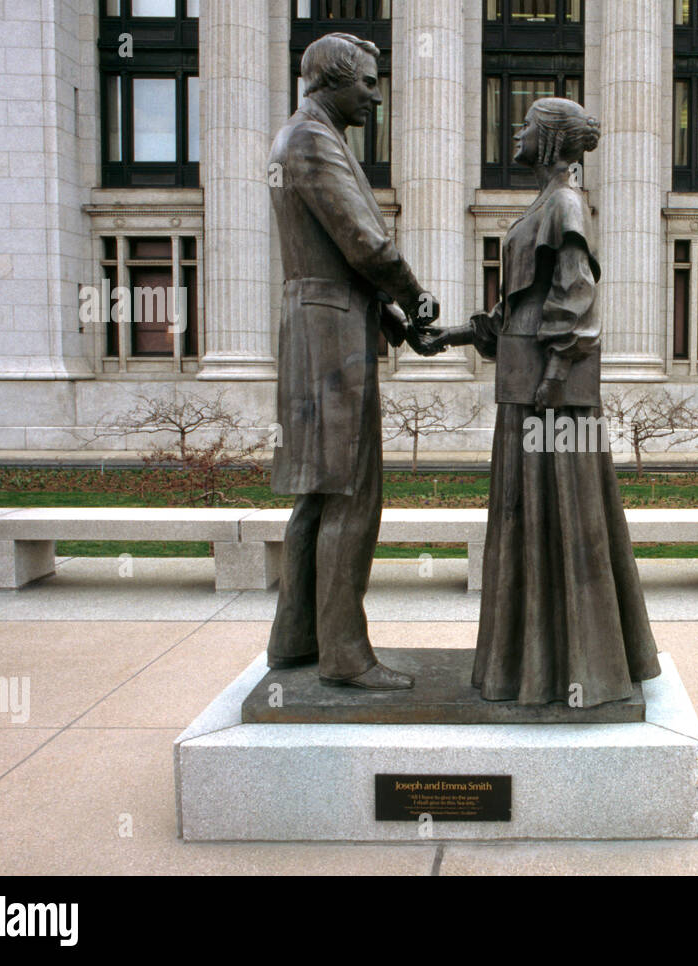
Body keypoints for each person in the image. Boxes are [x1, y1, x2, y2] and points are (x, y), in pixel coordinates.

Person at [424, 98, 661, 708]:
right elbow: (515, 310)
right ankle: (537, 665)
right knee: (529, 521)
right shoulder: (545, 204)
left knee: (565, 520)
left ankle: (576, 669)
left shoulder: (565, 204)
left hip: (549, 398)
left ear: (552, 142)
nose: (516, 132)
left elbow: (577, 303)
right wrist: (450, 336)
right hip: (527, 388)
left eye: (526, 126)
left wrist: (553, 377)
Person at [266, 32, 442, 690]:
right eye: (366, 81)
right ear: (329, 80)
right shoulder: (312, 140)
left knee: (319, 493)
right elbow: (366, 246)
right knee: (351, 495)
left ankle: (294, 640)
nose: (375, 92)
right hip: (330, 338)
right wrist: (417, 299)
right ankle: (343, 655)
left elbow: (341, 258)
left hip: (323, 325)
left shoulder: (304, 137)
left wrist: (396, 324)